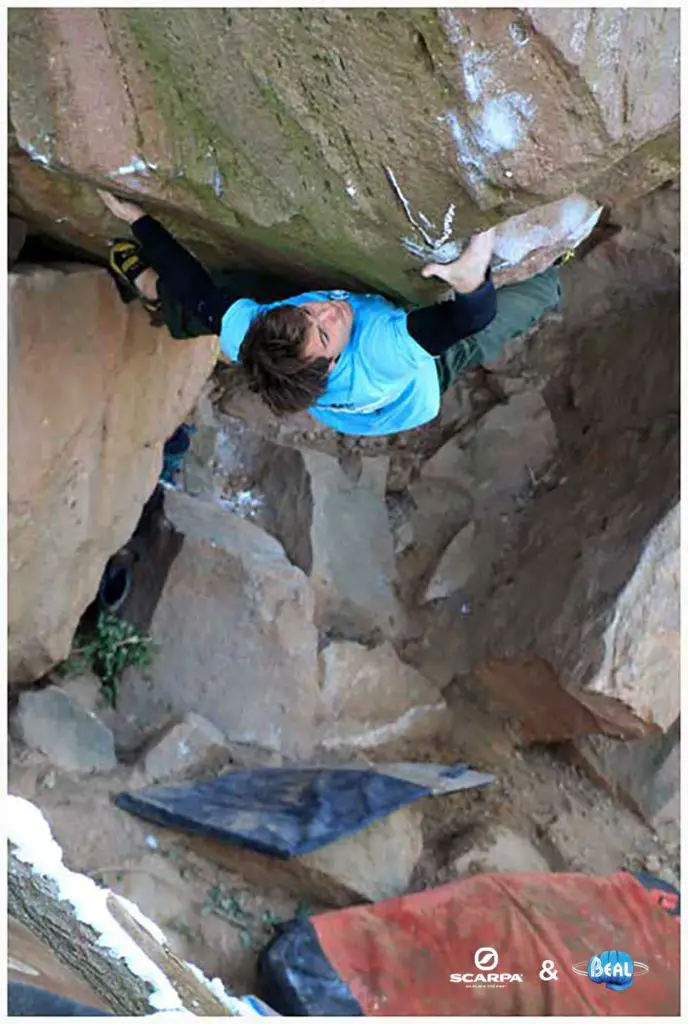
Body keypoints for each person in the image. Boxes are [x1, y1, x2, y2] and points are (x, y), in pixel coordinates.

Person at [98, 190, 561, 437]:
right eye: (323, 334)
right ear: (332, 361)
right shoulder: (381, 353)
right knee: (542, 286)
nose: (329, 313)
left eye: (309, 311)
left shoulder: (250, 332)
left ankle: (153, 292)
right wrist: (471, 280)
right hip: (413, 393)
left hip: (322, 385)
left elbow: (198, 290)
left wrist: (138, 219)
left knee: (221, 298)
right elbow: (467, 320)